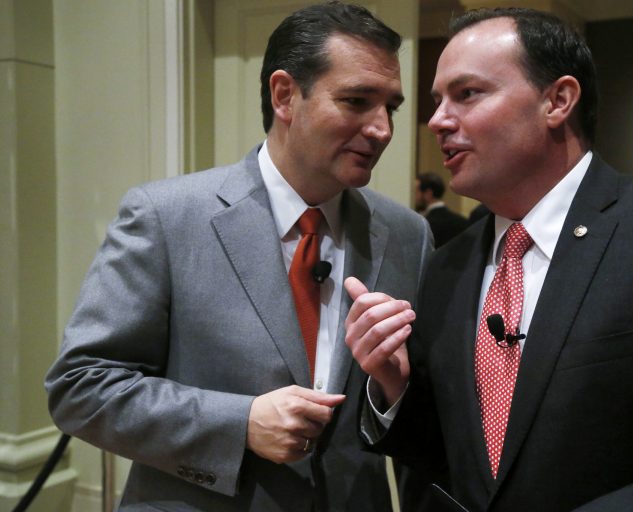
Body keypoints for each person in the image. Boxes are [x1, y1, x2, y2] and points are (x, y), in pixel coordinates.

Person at [344, 7, 633, 511]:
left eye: (467, 94)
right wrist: (395, 387)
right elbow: (456, 462)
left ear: (558, 100)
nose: (437, 120)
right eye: (437, 101)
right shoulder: (447, 266)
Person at [45, 3, 432, 511]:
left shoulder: (409, 235)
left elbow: (417, 409)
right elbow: (80, 387)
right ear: (285, 95)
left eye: (392, 107)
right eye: (358, 100)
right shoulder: (166, 216)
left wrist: (393, 393)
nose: (382, 128)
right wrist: (240, 423)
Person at [415, 172, 468, 247]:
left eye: (416, 191)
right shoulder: (463, 221)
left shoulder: (425, 225)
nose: (415, 197)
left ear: (428, 194)